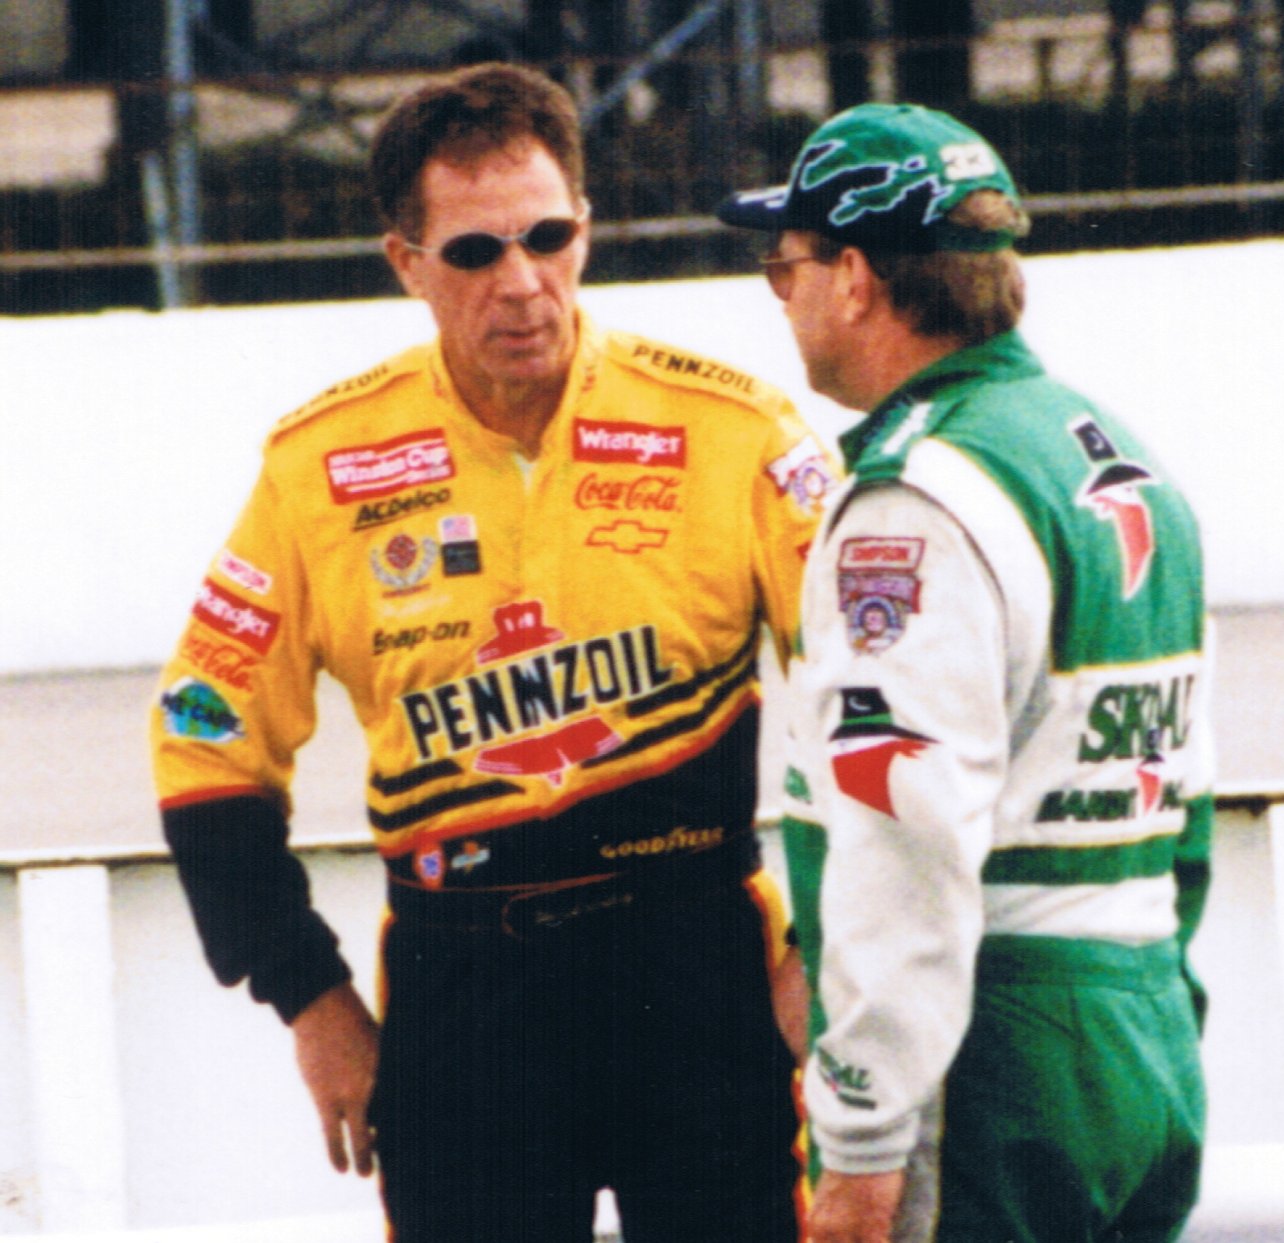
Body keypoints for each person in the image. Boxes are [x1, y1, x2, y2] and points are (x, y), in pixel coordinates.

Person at [151, 62, 835, 1243]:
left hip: (698, 967)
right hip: (467, 995)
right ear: (405, 263)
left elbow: (879, 700)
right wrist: (311, 1001)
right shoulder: (319, 462)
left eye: (549, 237)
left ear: (587, 228)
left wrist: (826, 957)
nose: (522, 284)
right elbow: (202, 738)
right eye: (475, 253)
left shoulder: (735, 431)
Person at [718, 103, 1214, 1243]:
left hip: (989, 1050)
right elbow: (1183, 795)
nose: (779, 294)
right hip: (1141, 1026)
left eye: (781, 264)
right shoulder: (1119, 461)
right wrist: (1163, 1019)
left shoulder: (916, 495)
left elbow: (905, 826)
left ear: (852, 276)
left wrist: (860, 1144)